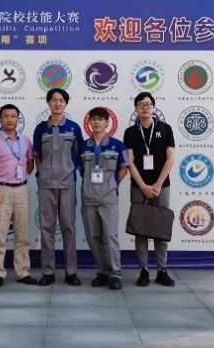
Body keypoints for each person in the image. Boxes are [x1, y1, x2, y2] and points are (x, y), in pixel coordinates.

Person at [122, 92, 176, 287]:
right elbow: (130, 161)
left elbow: (170, 157)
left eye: (148, 104)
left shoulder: (165, 129)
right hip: (138, 187)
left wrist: (158, 184)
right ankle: (143, 270)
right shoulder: (130, 132)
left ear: (153, 107)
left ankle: (162, 270)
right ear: (136, 109)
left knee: (161, 228)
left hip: (162, 186)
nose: (144, 107)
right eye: (140, 104)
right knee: (141, 229)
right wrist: (144, 186)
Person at [32, 88, 85, 286]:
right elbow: (37, 155)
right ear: (48, 103)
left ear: (66, 104)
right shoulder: (41, 129)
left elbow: (79, 155)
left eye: (61, 100)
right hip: (46, 185)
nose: (57, 103)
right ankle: (48, 272)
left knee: (68, 227)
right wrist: (42, 173)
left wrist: (71, 172)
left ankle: (71, 272)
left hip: (68, 185)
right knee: (46, 228)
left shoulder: (73, 128)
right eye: (54, 100)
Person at [0, 104, 38, 287]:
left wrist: (21, 179)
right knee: (0, 235)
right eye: (6, 116)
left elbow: (30, 163)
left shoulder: (26, 141)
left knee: (22, 235)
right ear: (0, 120)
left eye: (13, 116)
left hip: (22, 190)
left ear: (18, 119)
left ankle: (23, 272)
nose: (9, 119)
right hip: (2, 190)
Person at [79, 107, 129, 290]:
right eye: (94, 119)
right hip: (89, 198)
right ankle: (103, 271)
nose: (97, 122)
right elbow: (81, 170)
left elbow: (124, 168)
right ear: (89, 122)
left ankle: (116, 274)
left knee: (110, 236)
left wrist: (113, 184)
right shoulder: (83, 146)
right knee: (94, 237)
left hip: (108, 199)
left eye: (101, 119)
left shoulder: (117, 145)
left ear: (107, 122)